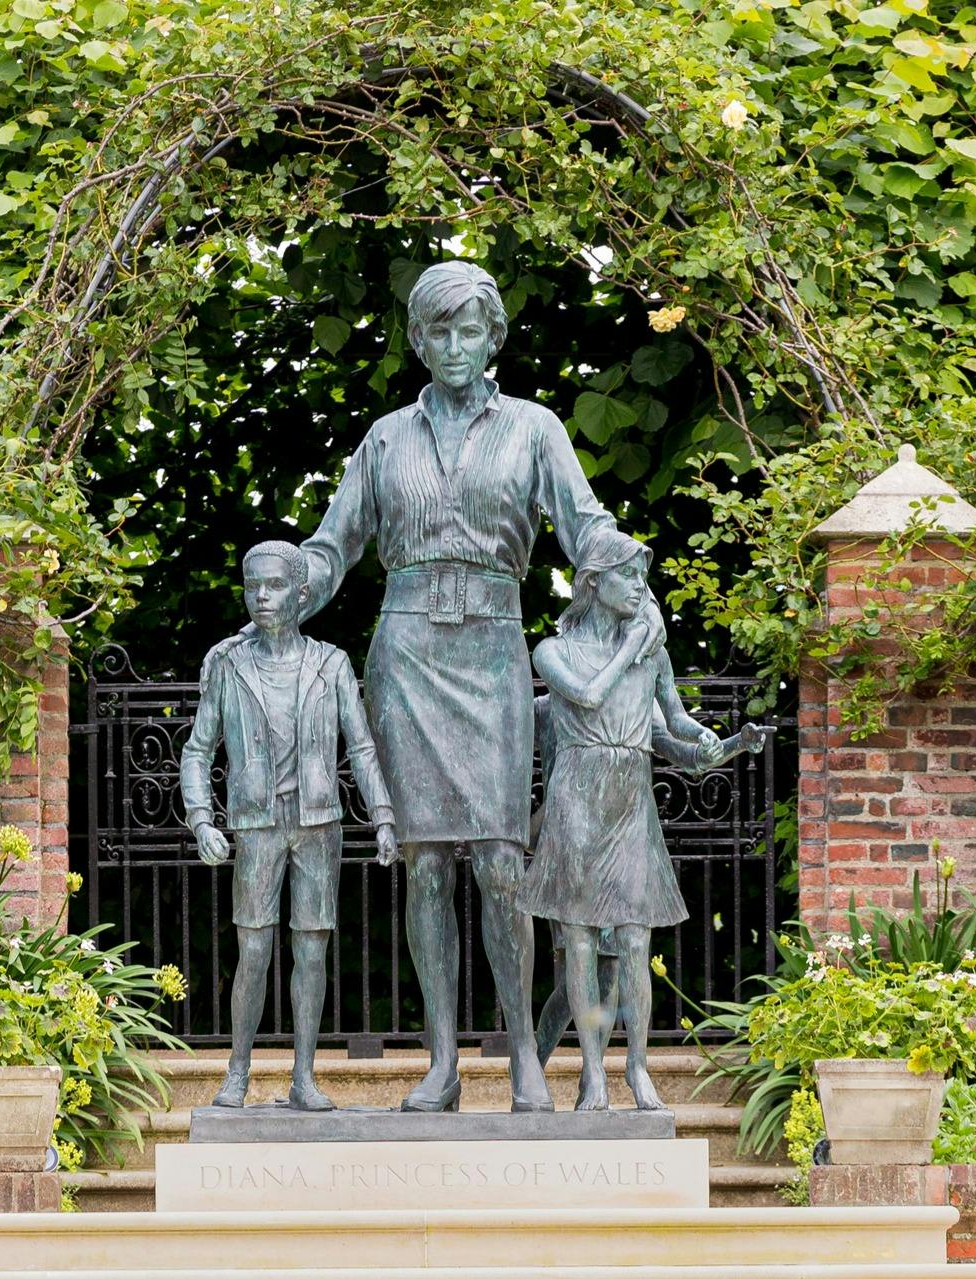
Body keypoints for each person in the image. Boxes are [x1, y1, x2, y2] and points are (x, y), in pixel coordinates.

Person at [283, 260, 657, 1113]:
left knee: (497, 859)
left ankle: (524, 1050)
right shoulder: (384, 438)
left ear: (494, 338)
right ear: (418, 341)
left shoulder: (534, 429)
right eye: (438, 332)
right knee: (423, 866)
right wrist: (283, 588)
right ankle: (443, 1061)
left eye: (469, 331)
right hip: (407, 653)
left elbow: (585, 521)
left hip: (491, 648)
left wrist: (629, 573)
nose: (454, 346)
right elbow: (333, 544)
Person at [518, 531, 759, 1111]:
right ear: (594, 582)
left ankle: (638, 1068)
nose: (639, 586)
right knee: (578, 946)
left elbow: (674, 727)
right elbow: (590, 696)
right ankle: (594, 1073)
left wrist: (721, 744)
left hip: (630, 805)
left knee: (632, 943)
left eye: (641, 576)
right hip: (577, 802)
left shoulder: (653, 655)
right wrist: (631, 647)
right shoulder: (555, 652)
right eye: (628, 575)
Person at [180, 540, 399, 1110]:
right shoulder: (229, 666)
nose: (261, 597)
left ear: (302, 595)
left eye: (273, 586)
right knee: (251, 953)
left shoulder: (331, 664)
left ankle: (304, 1076)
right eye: (253, 586)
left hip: (318, 824)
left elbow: (363, 748)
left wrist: (383, 817)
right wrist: (202, 820)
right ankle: (237, 1073)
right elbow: (198, 751)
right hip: (256, 826)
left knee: (311, 951)